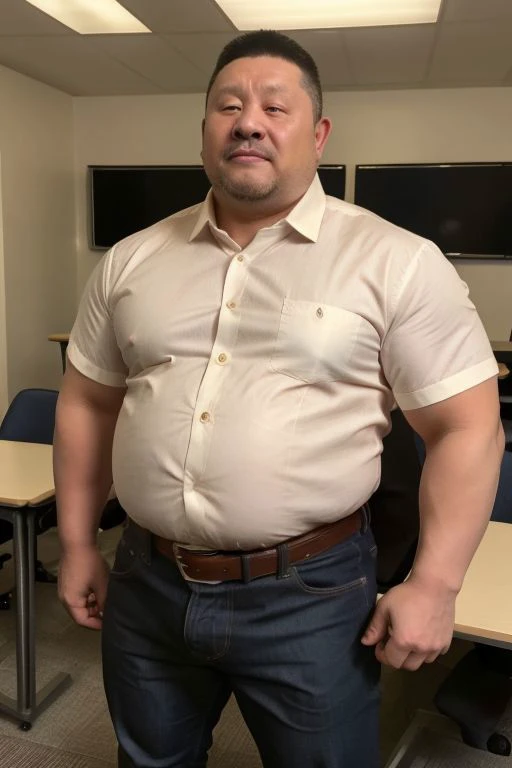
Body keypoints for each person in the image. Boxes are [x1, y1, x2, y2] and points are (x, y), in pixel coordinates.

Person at [54, 30, 504, 768]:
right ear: (205, 131)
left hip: (313, 597)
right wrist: (75, 543)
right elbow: (87, 404)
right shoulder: (133, 260)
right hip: (148, 583)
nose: (249, 121)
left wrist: (434, 583)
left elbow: (468, 429)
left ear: (318, 134)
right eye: (228, 106)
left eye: (275, 106)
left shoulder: (395, 261)